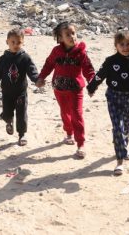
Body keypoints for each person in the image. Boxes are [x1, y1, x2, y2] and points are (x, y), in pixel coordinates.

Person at [87, 28, 129, 175]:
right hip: (113, 97)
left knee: (126, 125)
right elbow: (100, 75)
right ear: (116, 46)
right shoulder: (110, 61)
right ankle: (120, 160)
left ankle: (123, 146)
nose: (125, 47)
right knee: (118, 126)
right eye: (122, 44)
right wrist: (91, 87)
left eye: (128, 44)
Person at [36, 22, 95, 159]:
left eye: (73, 33)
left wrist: (92, 83)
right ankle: (69, 133)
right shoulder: (56, 51)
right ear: (60, 38)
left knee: (77, 114)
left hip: (76, 89)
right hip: (59, 88)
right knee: (65, 112)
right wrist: (41, 77)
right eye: (67, 34)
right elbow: (49, 64)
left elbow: (89, 70)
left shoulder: (81, 53)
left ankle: (80, 144)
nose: (72, 37)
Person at [0, 28, 39, 146]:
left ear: (23, 42)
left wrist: (37, 80)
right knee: (7, 113)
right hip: (7, 93)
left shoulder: (25, 58)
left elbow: (32, 71)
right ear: (7, 42)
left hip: (21, 92)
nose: (16, 45)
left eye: (19, 42)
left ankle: (22, 134)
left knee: (21, 113)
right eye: (13, 42)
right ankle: (8, 121)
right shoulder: (2, 60)